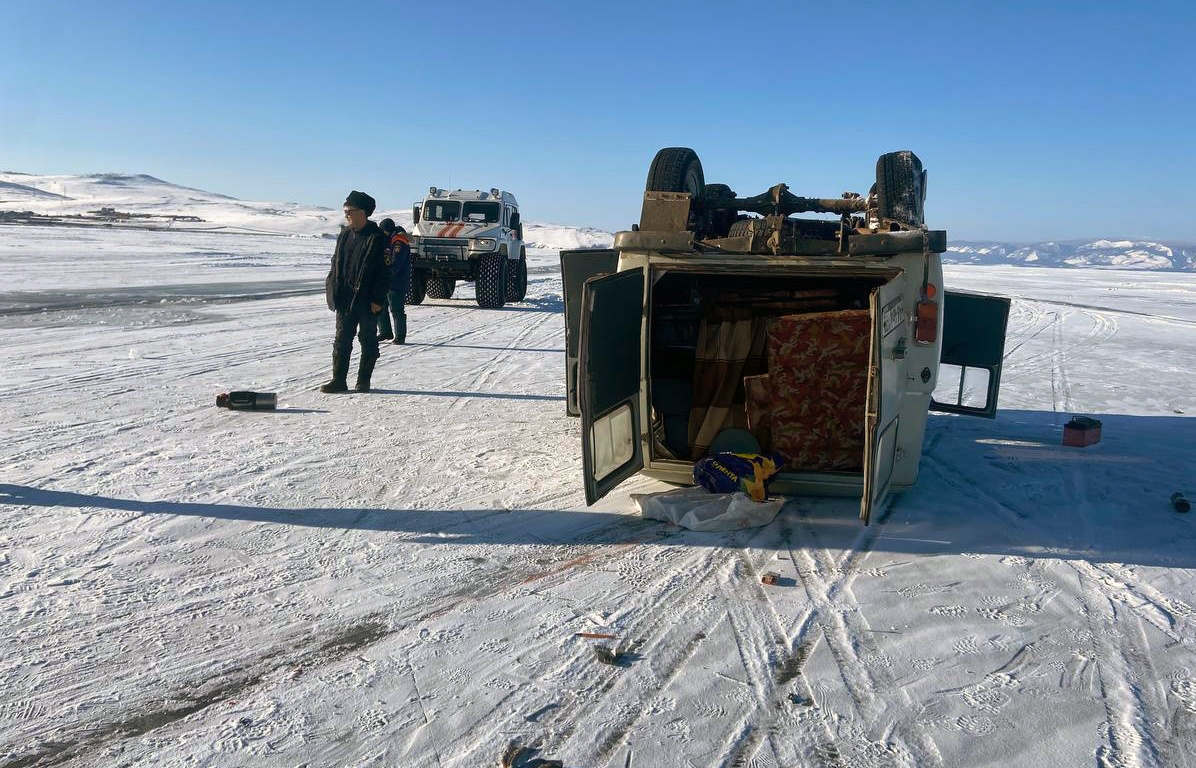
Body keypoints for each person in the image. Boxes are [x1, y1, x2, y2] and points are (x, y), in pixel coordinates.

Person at [321, 190, 388, 393]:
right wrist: (331, 288)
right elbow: (336, 263)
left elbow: (384, 272)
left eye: (350, 211)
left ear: (363, 212)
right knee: (341, 341)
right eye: (345, 211)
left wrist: (377, 299)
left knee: (368, 341)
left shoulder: (377, 238)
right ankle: (338, 380)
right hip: (344, 298)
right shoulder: (344, 235)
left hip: (368, 301)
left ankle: (363, 381)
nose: (347, 214)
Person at [376, 218, 412, 344]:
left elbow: (397, 263)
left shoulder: (399, 242)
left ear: (387, 230)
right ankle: (385, 332)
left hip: (397, 282)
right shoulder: (389, 240)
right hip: (386, 281)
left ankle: (400, 336)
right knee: (381, 306)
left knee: (396, 309)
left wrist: (386, 274)